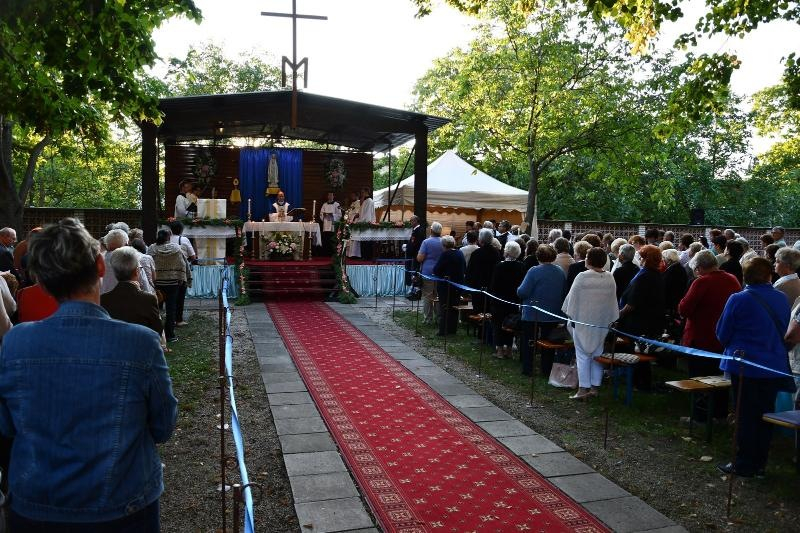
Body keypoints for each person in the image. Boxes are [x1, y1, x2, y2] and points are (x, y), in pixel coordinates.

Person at [0, 217, 176, 530]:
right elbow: (163, 426)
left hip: (37, 505)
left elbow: (6, 425)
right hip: (123, 505)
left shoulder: (16, 342)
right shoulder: (141, 343)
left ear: (42, 282)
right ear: (100, 265)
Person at [717, 257, 792, 478]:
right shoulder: (781, 298)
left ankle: (744, 463)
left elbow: (722, 333)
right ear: (769, 276)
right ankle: (760, 463)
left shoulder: (738, 299)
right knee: (764, 414)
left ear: (745, 276)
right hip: (772, 365)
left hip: (745, 367)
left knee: (745, 415)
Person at [678, 250, 741, 421]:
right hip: (724, 338)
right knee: (720, 379)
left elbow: (684, 308)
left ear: (698, 268)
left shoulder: (701, 282)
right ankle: (719, 414)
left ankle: (699, 416)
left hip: (701, 337)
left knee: (699, 378)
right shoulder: (732, 279)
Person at [563, 247, 619, 399]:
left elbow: (571, 301)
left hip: (583, 322)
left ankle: (583, 389)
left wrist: (571, 315)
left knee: (582, 355)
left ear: (590, 260)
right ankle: (594, 388)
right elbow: (612, 302)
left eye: (587, 256)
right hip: (601, 322)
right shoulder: (609, 277)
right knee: (597, 354)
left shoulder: (582, 277)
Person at [617, 244, 665, 388]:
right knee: (642, 353)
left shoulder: (644, 276)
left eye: (641, 256)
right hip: (649, 319)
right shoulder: (655, 274)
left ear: (646, 259)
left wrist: (618, 315)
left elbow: (632, 303)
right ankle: (642, 381)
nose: (639, 258)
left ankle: (639, 383)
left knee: (638, 352)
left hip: (638, 321)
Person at [517, 244, 566, 377]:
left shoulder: (534, 271)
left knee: (529, 341)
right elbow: (563, 292)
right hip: (552, 313)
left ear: (538, 256)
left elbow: (522, 291)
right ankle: (547, 369)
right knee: (548, 341)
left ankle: (528, 368)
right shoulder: (560, 271)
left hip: (533, 313)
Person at [101, 247, 163, 335]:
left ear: (115, 272)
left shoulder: (103, 299)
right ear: (136, 271)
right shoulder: (148, 299)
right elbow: (157, 330)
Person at [149, 229, 191, 343]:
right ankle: (170, 335)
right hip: (173, 283)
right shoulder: (176, 248)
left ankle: (155, 333)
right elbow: (183, 264)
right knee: (171, 309)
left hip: (157, 283)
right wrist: (183, 278)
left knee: (155, 309)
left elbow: (147, 263)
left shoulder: (152, 248)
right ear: (169, 237)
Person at [489, 241, 526, 358]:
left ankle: (500, 350)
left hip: (499, 300)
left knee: (498, 325)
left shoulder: (500, 266)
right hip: (514, 300)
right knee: (511, 325)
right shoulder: (521, 266)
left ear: (507, 251)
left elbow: (494, 284)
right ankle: (509, 350)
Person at [432, 235, 466, 336]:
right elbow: (464, 267)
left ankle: (443, 330)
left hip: (446, 285)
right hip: (458, 284)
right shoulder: (459, 253)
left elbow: (437, 269)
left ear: (444, 245)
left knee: (445, 307)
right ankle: (452, 329)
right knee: (454, 307)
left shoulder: (445, 254)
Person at [465, 228, 501, 320]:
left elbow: (470, 271)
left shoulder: (476, 253)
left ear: (480, 239)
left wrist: (468, 287)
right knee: (488, 312)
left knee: (477, 311)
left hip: (478, 286)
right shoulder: (496, 253)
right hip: (491, 286)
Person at [416, 222, 444, 324]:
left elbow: (420, 258)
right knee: (438, 296)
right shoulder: (444, 242)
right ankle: (439, 318)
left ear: (431, 230)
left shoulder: (426, 242)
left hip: (427, 272)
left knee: (428, 296)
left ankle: (428, 318)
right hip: (440, 272)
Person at [100, 228, 129, 295]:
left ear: (107, 244)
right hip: (123, 298)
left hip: (101, 299)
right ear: (126, 244)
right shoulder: (130, 260)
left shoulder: (97, 259)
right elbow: (143, 283)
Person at [662, 248, 688, 318]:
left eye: (664, 259)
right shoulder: (680, 267)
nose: (663, 261)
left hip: (671, 303)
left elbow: (665, 287)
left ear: (669, 261)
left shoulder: (672, 271)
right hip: (677, 299)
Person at [319, 191, 341, 256]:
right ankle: (326, 253)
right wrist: (324, 215)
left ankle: (333, 253)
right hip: (326, 224)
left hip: (333, 224)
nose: (330, 196)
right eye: (329, 195)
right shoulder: (324, 204)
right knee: (326, 239)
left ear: (333, 196)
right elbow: (321, 214)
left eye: (331, 195)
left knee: (333, 239)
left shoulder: (337, 204)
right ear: (327, 196)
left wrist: (332, 215)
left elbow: (339, 215)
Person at [357, 188, 376, 260]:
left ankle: (367, 256)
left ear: (366, 192)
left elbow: (367, 214)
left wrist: (361, 221)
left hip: (366, 223)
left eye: (363, 192)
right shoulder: (365, 201)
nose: (362, 194)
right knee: (363, 240)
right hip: (363, 223)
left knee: (367, 241)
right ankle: (364, 256)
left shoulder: (369, 201)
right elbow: (361, 212)